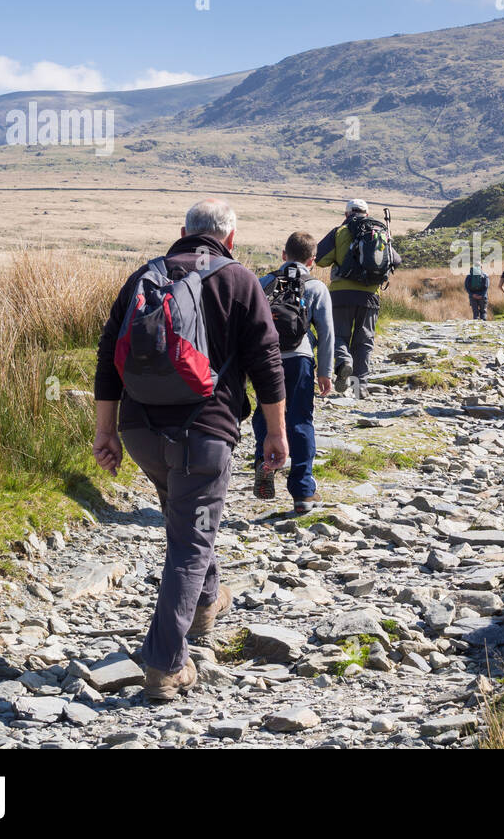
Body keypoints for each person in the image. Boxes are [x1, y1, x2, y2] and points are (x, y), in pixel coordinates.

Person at [92, 198, 288, 702]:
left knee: (186, 520)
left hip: (141, 433)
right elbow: (267, 361)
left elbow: (107, 357)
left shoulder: (144, 275)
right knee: (190, 542)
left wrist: (106, 432)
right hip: (204, 433)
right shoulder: (239, 280)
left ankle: (204, 605)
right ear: (230, 239)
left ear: (182, 232)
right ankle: (164, 663)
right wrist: (276, 431)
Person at [253, 231, 334, 513]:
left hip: (265, 359)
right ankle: (302, 491)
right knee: (300, 419)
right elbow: (326, 334)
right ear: (312, 260)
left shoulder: (264, 282)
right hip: (298, 360)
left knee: (265, 413)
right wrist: (325, 371)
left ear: (284, 255)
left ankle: (264, 463)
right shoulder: (315, 287)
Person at [315, 199, 384, 396]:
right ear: (367, 214)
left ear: (346, 215)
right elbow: (395, 259)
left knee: (338, 335)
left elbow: (320, 259)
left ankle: (344, 360)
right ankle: (359, 387)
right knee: (364, 340)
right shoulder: (379, 232)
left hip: (341, 294)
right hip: (370, 295)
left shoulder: (339, 231)